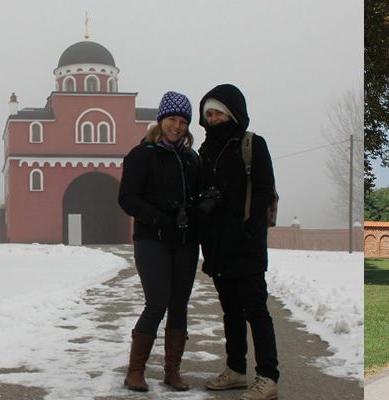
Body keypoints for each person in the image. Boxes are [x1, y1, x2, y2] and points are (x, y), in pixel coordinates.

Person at [196, 84, 279, 400]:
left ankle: (268, 376)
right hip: (217, 248)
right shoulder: (205, 152)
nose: (213, 118)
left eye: (218, 112)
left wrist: (249, 231)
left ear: (232, 113)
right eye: (209, 114)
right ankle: (236, 370)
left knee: (256, 310)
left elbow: (263, 192)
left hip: (246, 246)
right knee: (230, 311)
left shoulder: (252, 145)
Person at [118, 91, 199, 392]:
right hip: (152, 239)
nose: (177, 126)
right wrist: (159, 217)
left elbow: (198, 194)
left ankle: (172, 371)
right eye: (172, 119)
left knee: (179, 304)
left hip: (186, 241)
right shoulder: (142, 155)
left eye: (182, 121)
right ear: (161, 121)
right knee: (157, 301)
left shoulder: (191, 159)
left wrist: (200, 207)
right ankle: (135, 371)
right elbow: (127, 198)